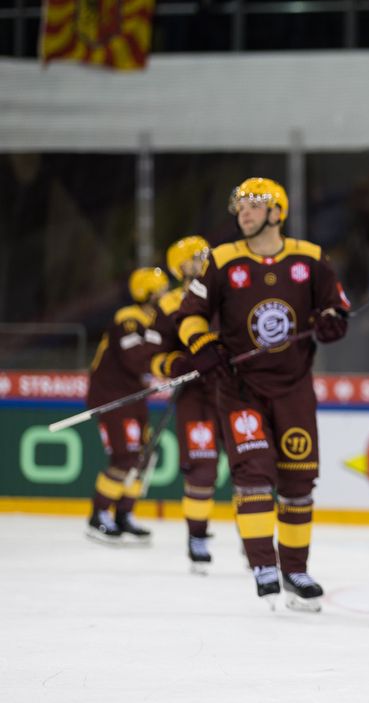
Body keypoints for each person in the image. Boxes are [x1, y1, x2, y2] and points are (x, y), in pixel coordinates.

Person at [176, 178, 350, 611]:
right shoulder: (221, 260)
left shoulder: (309, 258)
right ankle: (263, 566)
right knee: (253, 474)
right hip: (240, 390)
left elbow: (337, 306)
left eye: (253, 207)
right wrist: (205, 347)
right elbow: (188, 317)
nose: (243, 215)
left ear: (277, 211)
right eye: (239, 209)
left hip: (294, 389)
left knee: (297, 479)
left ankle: (295, 569)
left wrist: (333, 321)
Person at [148, 235, 219, 573]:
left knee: (250, 465)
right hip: (197, 395)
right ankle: (198, 537)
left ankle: (256, 545)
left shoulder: (226, 292)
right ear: (181, 265)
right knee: (203, 469)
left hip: (235, 390)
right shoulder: (169, 304)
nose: (205, 259)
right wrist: (175, 365)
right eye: (197, 256)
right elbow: (153, 356)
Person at [85, 266, 169, 545]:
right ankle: (99, 515)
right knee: (124, 457)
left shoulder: (154, 320)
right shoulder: (128, 319)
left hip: (134, 397)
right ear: (147, 292)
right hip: (112, 398)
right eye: (160, 290)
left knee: (142, 458)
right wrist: (161, 343)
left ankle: (124, 515)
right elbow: (136, 358)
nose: (165, 294)